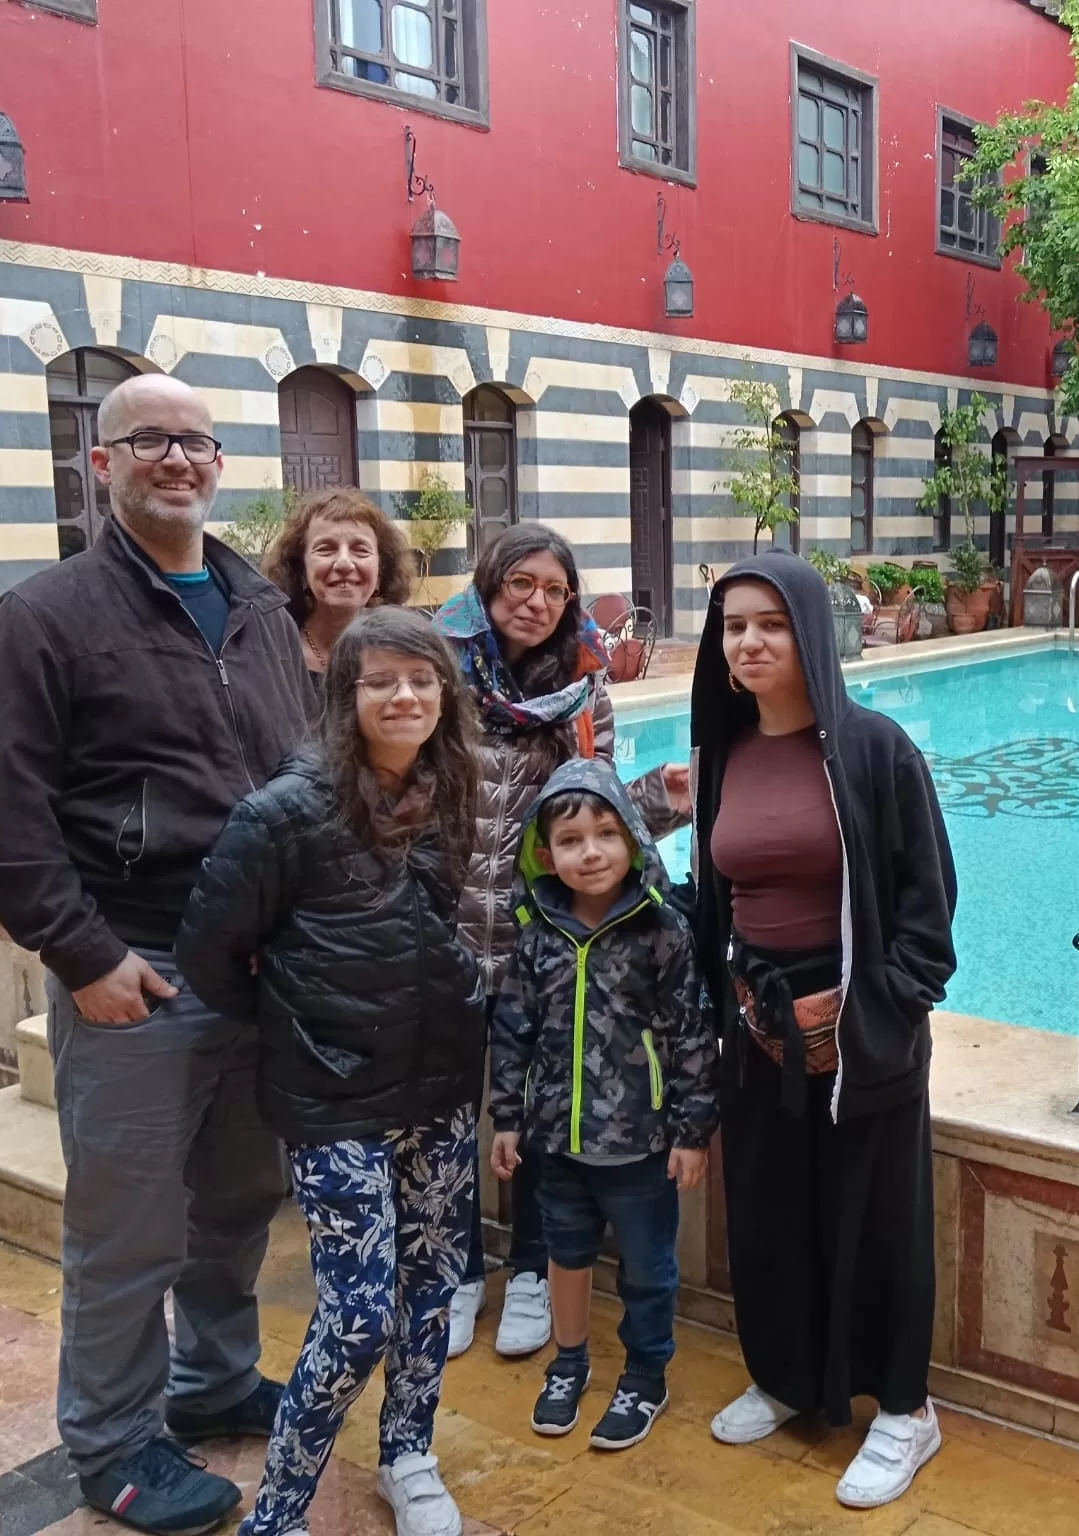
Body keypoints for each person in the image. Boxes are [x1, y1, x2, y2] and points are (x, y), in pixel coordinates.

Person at [0, 374, 312, 1535]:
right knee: (129, 1230)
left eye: (195, 441)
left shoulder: (258, 608)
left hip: (256, 972)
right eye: (148, 439)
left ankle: (212, 1380)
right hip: (137, 973)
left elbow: (299, 776)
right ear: (100, 463)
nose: (177, 458)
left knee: (238, 1204)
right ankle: (111, 1446)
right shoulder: (43, 618)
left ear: (218, 465)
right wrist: (83, 955)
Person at [177, 606, 482, 1536]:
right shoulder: (283, 812)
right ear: (344, 695)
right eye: (381, 681)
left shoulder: (451, 784)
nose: (404, 697)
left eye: (422, 680)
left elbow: (441, 917)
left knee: (431, 1286)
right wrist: (299, 1023)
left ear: (445, 694)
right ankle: (278, 1515)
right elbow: (208, 951)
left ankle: (408, 1454)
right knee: (356, 1318)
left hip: (439, 1085)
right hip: (335, 1097)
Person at [689, 552, 958, 1510]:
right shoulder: (723, 754)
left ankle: (905, 1409)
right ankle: (787, 1376)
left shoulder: (877, 750)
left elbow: (929, 907)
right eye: (734, 627)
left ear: (810, 632)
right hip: (757, 1022)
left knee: (877, 1219)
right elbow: (715, 900)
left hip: (861, 1026)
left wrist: (870, 1010)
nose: (751, 642)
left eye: (771, 623)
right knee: (770, 1212)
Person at [437, 525, 690, 1358]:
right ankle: (457, 1270)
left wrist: (661, 798)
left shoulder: (584, 692)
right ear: (488, 586)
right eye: (521, 584)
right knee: (447, 1115)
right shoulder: (441, 674)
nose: (537, 603)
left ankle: (532, 1272)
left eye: (554, 589)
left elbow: (594, 815)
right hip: (444, 937)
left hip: (539, 942)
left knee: (545, 1116)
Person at [488, 758, 716, 1450]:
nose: (590, 853)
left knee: (647, 1268)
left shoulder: (661, 931)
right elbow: (513, 1028)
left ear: (634, 841)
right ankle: (569, 1360)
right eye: (570, 840)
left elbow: (691, 1033)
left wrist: (692, 1132)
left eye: (606, 835)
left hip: (642, 1146)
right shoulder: (537, 933)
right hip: (556, 1142)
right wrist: (507, 1117)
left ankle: (646, 1372)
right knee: (566, 1255)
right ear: (545, 855)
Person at [260, 485, 412, 687]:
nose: (344, 563)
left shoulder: (404, 655)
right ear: (302, 570)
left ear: (380, 573)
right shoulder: (272, 656)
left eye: (360, 550)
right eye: (326, 549)